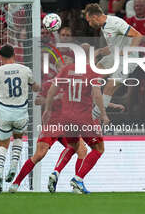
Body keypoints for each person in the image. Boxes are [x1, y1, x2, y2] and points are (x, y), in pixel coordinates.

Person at [8, 56, 87, 193]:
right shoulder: (50, 84)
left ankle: (72, 182)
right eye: (66, 65)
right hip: (52, 124)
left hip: (67, 125)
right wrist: (55, 99)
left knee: (82, 150)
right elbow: (37, 101)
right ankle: (16, 183)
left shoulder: (74, 85)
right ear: (58, 68)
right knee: (39, 154)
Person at [42, 43, 109, 194]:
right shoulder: (92, 71)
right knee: (99, 149)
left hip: (66, 117)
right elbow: (97, 94)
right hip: (83, 117)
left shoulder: (66, 69)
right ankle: (78, 179)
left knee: (72, 146)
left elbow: (52, 89)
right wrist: (103, 113)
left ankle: (55, 172)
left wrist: (47, 109)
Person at [0, 45, 40, 193]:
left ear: (1, 57)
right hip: (20, 112)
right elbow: (35, 87)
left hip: (4, 112)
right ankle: (14, 166)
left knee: (3, 144)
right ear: (14, 54)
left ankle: (0, 173)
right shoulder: (25, 70)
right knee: (18, 137)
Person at [84, 3, 142, 120]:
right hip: (114, 56)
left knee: (110, 86)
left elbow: (138, 35)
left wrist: (127, 51)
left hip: (127, 59)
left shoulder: (115, 23)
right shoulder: (104, 26)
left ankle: (94, 117)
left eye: (89, 21)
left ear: (95, 17)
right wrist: (102, 51)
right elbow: (115, 44)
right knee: (93, 77)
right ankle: (97, 110)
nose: (89, 24)